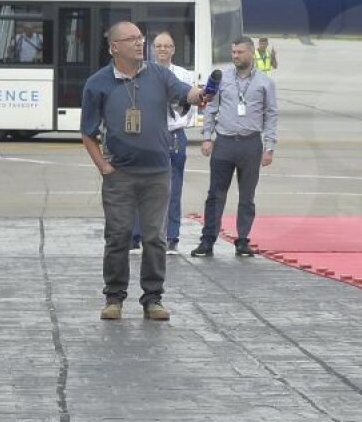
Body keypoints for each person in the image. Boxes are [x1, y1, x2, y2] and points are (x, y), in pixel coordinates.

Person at [80, 22, 208, 321]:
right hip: (119, 175)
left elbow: (186, 93)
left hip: (157, 173)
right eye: (131, 39)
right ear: (114, 47)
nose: (139, 43)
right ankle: (114, 298)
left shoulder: (159, 74)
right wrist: (104, 167)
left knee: (154, 238)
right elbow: (88, 132)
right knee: (118, 237)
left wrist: (201, 94)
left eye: (140, 38)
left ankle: (153, 299)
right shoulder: (97, 83)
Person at [191, 36, 279, 258]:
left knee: (247, 196)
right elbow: (211, 108)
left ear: (250, 53)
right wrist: (207, 137)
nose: (235, 56)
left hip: (250, 144)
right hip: (224, 143)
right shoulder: (222, 78)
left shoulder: (265, 83)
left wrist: (269, 147)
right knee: (215, 194)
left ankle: (242, 240)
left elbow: (271, 115)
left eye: (239, 52)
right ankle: (208, 240)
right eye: (233, 52)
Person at [130, 32, 195, 255]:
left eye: (167, 46)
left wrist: (174, 123)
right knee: (142, 186)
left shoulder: (184, 75)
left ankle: (171, 237)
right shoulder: (141, 72)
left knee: (173, 189)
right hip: (148, 136)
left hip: (174, 134)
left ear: (173, 49)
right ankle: (136, 236)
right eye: (159, 46)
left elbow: (190, 106)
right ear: (153, 49)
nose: (163, 50)